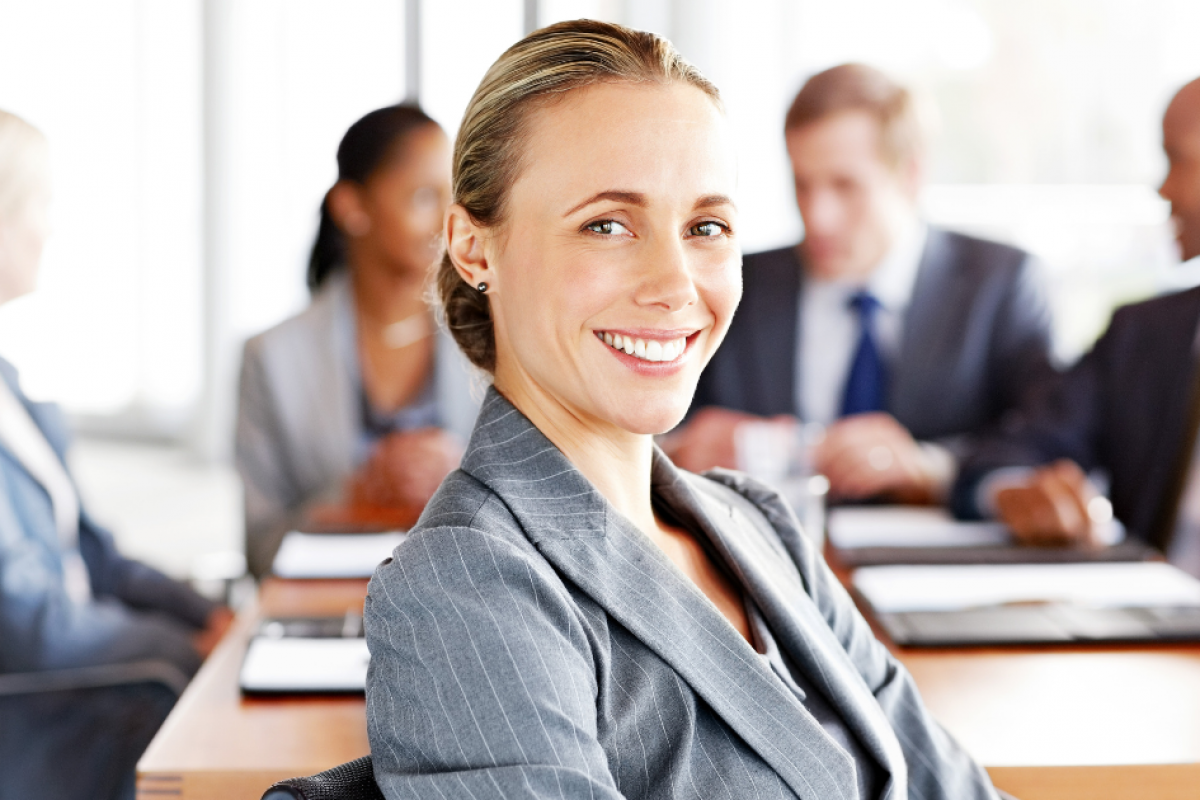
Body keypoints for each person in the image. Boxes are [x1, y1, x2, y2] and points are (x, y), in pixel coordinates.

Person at [364, 21, 1002, 800]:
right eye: (607, 224)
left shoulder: (757, 529)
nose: (675, 284)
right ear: (473, 247)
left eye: (706, 227)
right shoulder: (467, 584)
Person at [670, 64, 1054, 505]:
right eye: (803, 185)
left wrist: (929, 466)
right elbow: (650, 425)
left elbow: (1046, 439)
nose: (817, 217)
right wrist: (686, 443)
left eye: (845, 185)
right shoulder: (736, 281)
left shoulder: (1000, 283)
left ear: (909, 174)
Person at [0, 109, 231, 800]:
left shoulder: (10, 387)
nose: (50, 226)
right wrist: (181, 645)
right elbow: (29, 624)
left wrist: (207, 613)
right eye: (39, 203)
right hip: (43, 711)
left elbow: (97, 558)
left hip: (90, 682)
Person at [951, 77, 1200, 578]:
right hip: (1154, 638)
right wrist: (1018, 491)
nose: (1163, 188)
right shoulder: (1143, 335)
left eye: (1178, 159)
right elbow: (1011, 448)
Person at [236, 104, 480, 578]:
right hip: (332, 604)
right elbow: (260, 550)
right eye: (424, 197)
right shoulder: (272, 358)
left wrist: (465, 476)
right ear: (351, 207)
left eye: (454, 200)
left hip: (471, 594)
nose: (447, 225)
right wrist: (355, 492)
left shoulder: (499, 337)